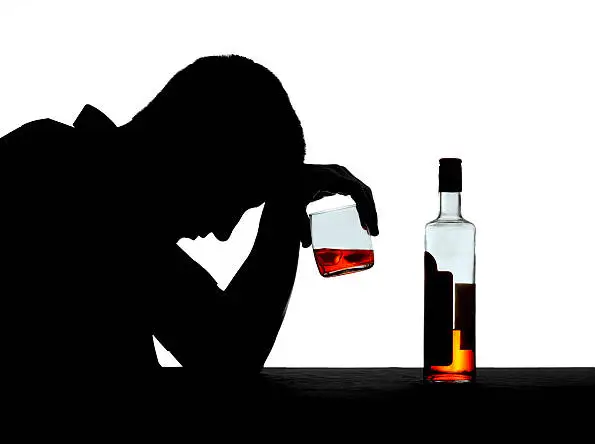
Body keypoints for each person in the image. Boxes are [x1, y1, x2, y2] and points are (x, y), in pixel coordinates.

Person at [0, 54, 378, 370]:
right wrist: (283, 207)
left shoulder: (71, 172)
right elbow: (229, 353)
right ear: (202, 155)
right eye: (236, 199)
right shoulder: (77, 188)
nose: (224, 230)